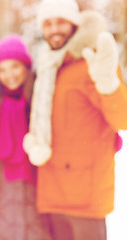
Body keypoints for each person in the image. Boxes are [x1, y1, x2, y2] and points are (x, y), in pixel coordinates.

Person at [22, 0, 127, 239]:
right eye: (48, 24)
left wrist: (109, 84)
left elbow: (123, 119)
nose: (54, 29)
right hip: (52, 194)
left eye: (61, 22)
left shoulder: (93, 62)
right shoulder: (48, 65)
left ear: (74, 24)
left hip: (85, 201)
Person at [0, 34, 51, 240]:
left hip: (37, 174)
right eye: (2, 69)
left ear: (26, 66)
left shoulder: (40, 98)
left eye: (14, 67)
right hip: (2, 180)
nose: (9, 75)